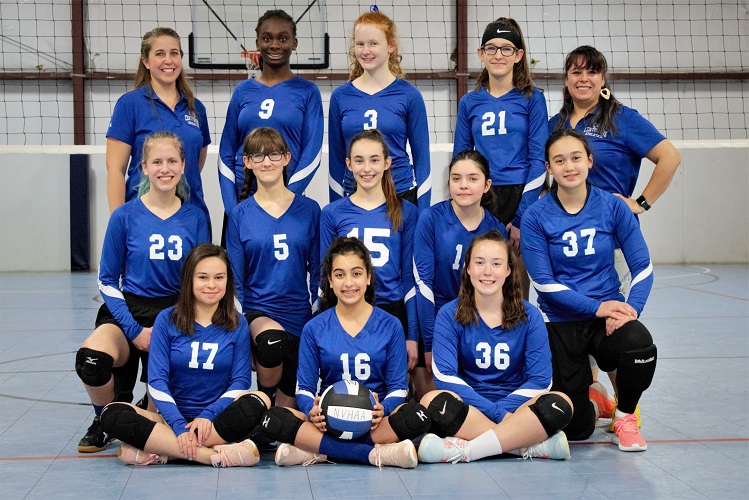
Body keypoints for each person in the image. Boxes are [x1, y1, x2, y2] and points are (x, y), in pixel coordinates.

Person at [549, 45, 679, 425]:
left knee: (612, 321)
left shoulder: (620, 119)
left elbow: (670, 157)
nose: (583, 78)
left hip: (611, 239)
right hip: (566, 240)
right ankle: (591, 398)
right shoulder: (557, 123)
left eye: (591, 71)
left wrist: (641, 203)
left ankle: (627, 411)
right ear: (566, 80)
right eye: (575, 72)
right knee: (575, 322)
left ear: (603, 79)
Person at [521, 129, 657, 451]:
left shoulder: (612, 206)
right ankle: (595, 400)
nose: (569, 166)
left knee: (639, 343)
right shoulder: (536, 216)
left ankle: (624, 416)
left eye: (576, 158)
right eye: (559, 160)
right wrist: (598, 307)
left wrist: (630, 310)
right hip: (559, 320)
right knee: (575, 428)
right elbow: (543, 283)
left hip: (605, 319)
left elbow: (643, 266)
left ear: (590, 161)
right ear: (548, 167)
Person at [75, 132, 210, 453]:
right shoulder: (124, 216)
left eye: (172, 161)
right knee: (91, 361)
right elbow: (107, 280)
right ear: (144, 168)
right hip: (129, 309)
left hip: (175, 313)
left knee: (154, 422)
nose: (165, 168)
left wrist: (169, 328)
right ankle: (104, 419)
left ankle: (142, 409)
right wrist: (134, 330)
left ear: (183, 166)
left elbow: (202, 279)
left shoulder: (195, 217)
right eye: (157, 162)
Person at [259, 237, 431, 468]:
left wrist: (384, 409)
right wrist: (312, 410)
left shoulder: (391, 325)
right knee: (273, 418)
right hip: (328, 421)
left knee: (416, 415)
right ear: (330, 281)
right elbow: (304, 388)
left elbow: (398, 387)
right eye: (339, 275)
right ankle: (371, 454)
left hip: (374, 421)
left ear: (368, 277)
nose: (348, 283)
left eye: (356, 273)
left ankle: (319, 451)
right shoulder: (314, 328)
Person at [100, 243, 272, 467]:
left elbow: (240, 382)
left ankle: (166, 450)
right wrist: (179, 425)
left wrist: (208, 415)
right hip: (169, 419)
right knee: (111, 414)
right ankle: (210, 455)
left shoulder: (237, 323)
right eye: (203, 277)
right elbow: (156, 381)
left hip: (217, 420)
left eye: (219, 278)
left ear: (228, 281)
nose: (211, 285)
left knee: (260, 400)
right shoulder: (166, 319)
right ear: (188, 280)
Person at [417, 230, 574, 463]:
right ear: (468, 268)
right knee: (431, 400)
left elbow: (541, 380)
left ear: (509, 270)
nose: (487, 271)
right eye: (479, 263)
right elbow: (445, 378)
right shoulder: (449, 314)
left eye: (496, 263)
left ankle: (466, 450)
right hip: (470, 408)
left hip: (517, 407)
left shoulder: (530, 315)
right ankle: (524, 446)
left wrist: (501, 409)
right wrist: (498, 414)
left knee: (561, 402)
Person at [226, 127, 320, 410]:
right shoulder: (239, 214)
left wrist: (316, 317)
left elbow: (318, 271)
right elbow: (234, 280)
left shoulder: (310, 210)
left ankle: (270, 419)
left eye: (274, 154)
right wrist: (240, 328)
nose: (266, 162)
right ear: (247, 162)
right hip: (259, 312)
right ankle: (261, 403)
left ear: (286, 158)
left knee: (286, 415)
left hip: (299, 314)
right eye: (258, 155)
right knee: (271, 342)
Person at [320, 129, 420, 384]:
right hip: (346, 310)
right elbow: (325, 277)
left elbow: (409, 278)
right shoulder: (332, 213)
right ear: (348, 164)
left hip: (391, 309)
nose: (367, 168)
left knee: (392, 389)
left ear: (387, 163)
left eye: (374, 160)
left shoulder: (407, 212)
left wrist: (412, 335)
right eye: (359, 160)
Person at [219, 9, 324, 232]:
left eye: (282, 38)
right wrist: (233, 210)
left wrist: (285, 199)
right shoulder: (243, 91)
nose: (275, 45)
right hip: (242, 201)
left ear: (294, 43)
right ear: (257, 43)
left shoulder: (308, 92)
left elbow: (312, 154)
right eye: (267, 38)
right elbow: (226, 153)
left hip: (287, 205)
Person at [452, 17, 548, 256]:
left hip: (520, 193)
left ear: (518, 55)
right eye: (491, 48)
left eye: (506, 49)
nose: (498, 55)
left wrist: (522, 215)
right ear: (481, 54)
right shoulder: (469, 102)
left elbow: (538, 159)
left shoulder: (532, 99)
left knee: (516, 270)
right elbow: (460, 158)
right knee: (481, 266)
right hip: (483, 194)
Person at [413, 150, 507, 390]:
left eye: (472, 179)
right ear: (448, 183)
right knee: (433, 402)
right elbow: (423, 283)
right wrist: (430, 343)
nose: (463, 185)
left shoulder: (495, 229)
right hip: (434, 318)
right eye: (456, 178)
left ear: (487, 185)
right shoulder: (431, 218)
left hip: (476, 324)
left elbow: (497, 291)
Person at [328, 9, 431, 212]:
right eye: (360, 44)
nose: (365, 51)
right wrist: (336, 210)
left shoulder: (409, 95)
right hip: (355, 196)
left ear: (391, 46)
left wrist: (424, 214)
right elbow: (336, 160)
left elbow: (422, 161)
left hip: (400, 195)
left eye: (373, 43)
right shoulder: (340, 96)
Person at [106, 27, 211, 219]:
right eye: (160, 54)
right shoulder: (130, 104)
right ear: (146, 61)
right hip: (142, 217)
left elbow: (194, 164)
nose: (168, 61)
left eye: (174, 53)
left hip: (191, 215)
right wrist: (118, 222)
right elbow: (115, 171)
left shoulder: (196, 108)